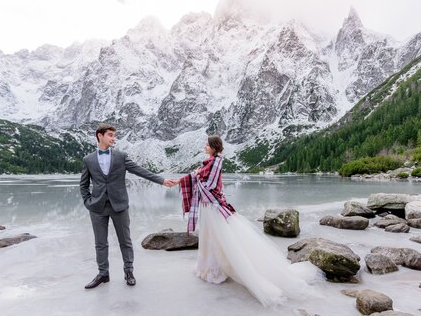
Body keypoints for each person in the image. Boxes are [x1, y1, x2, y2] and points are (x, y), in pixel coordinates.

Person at [172, 136, 318, 306]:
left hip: (212, 206)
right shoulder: (210, 162)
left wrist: (195, 177)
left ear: (214, 147)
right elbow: (200, 178)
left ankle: (215, 269)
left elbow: (209, 185)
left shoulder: (214, 163)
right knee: (210, 237)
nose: (204, 147)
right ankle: (210, 266)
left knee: (216, 237)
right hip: (209, 205)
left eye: (207, 145)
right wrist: (185, 179)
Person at [80, 123, 176, 289]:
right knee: (100, 243)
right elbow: (83, 184)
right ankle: (103, 274)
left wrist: (161, 180)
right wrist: (88, 202)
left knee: (125, 241)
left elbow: (140, 170)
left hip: (119, 205)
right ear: (99, 135)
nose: (113, 138)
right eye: (110, 135)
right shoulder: (88, 159)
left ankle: (129, 271)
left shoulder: (121, 156)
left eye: (114, 135)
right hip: (97, 207)